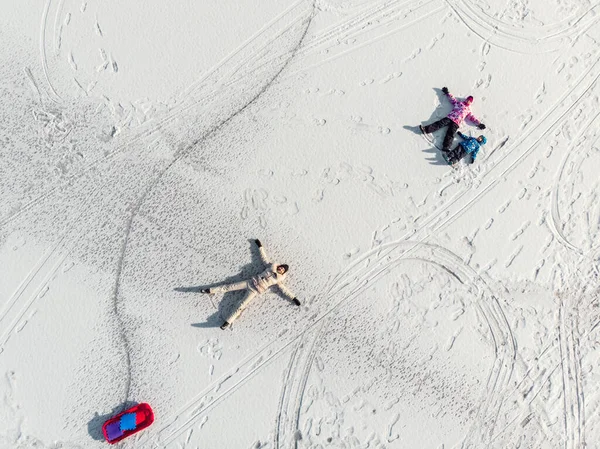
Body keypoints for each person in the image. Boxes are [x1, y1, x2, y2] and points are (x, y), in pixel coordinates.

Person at [201, 239, 300, 329]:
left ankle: (227, 322)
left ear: (283, 273)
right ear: (279, 266)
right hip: (250, 282)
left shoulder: (278, 280)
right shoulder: (270, 267)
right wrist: (260, 246)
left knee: (241, 305)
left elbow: (284, 290)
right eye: (281, 267)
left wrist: (293, 298)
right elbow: (264, 258)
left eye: (283, 270)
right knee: (229, 287)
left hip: (255, 291)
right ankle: (209, 290)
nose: (281, 269)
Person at [420, 87, 486, 153]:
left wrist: (479, 124)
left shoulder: (468, 110)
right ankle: (426, 129)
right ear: (466, 99)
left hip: (456, 123)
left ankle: (446, 147)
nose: (468, 101)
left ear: (470, 102)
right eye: (468, 99)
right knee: (439, 124)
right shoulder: (459, 103)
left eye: (470, 101)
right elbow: (452, 99)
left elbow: (472, 117)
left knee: (450, 133)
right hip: (450, 117)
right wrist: (447, 93)